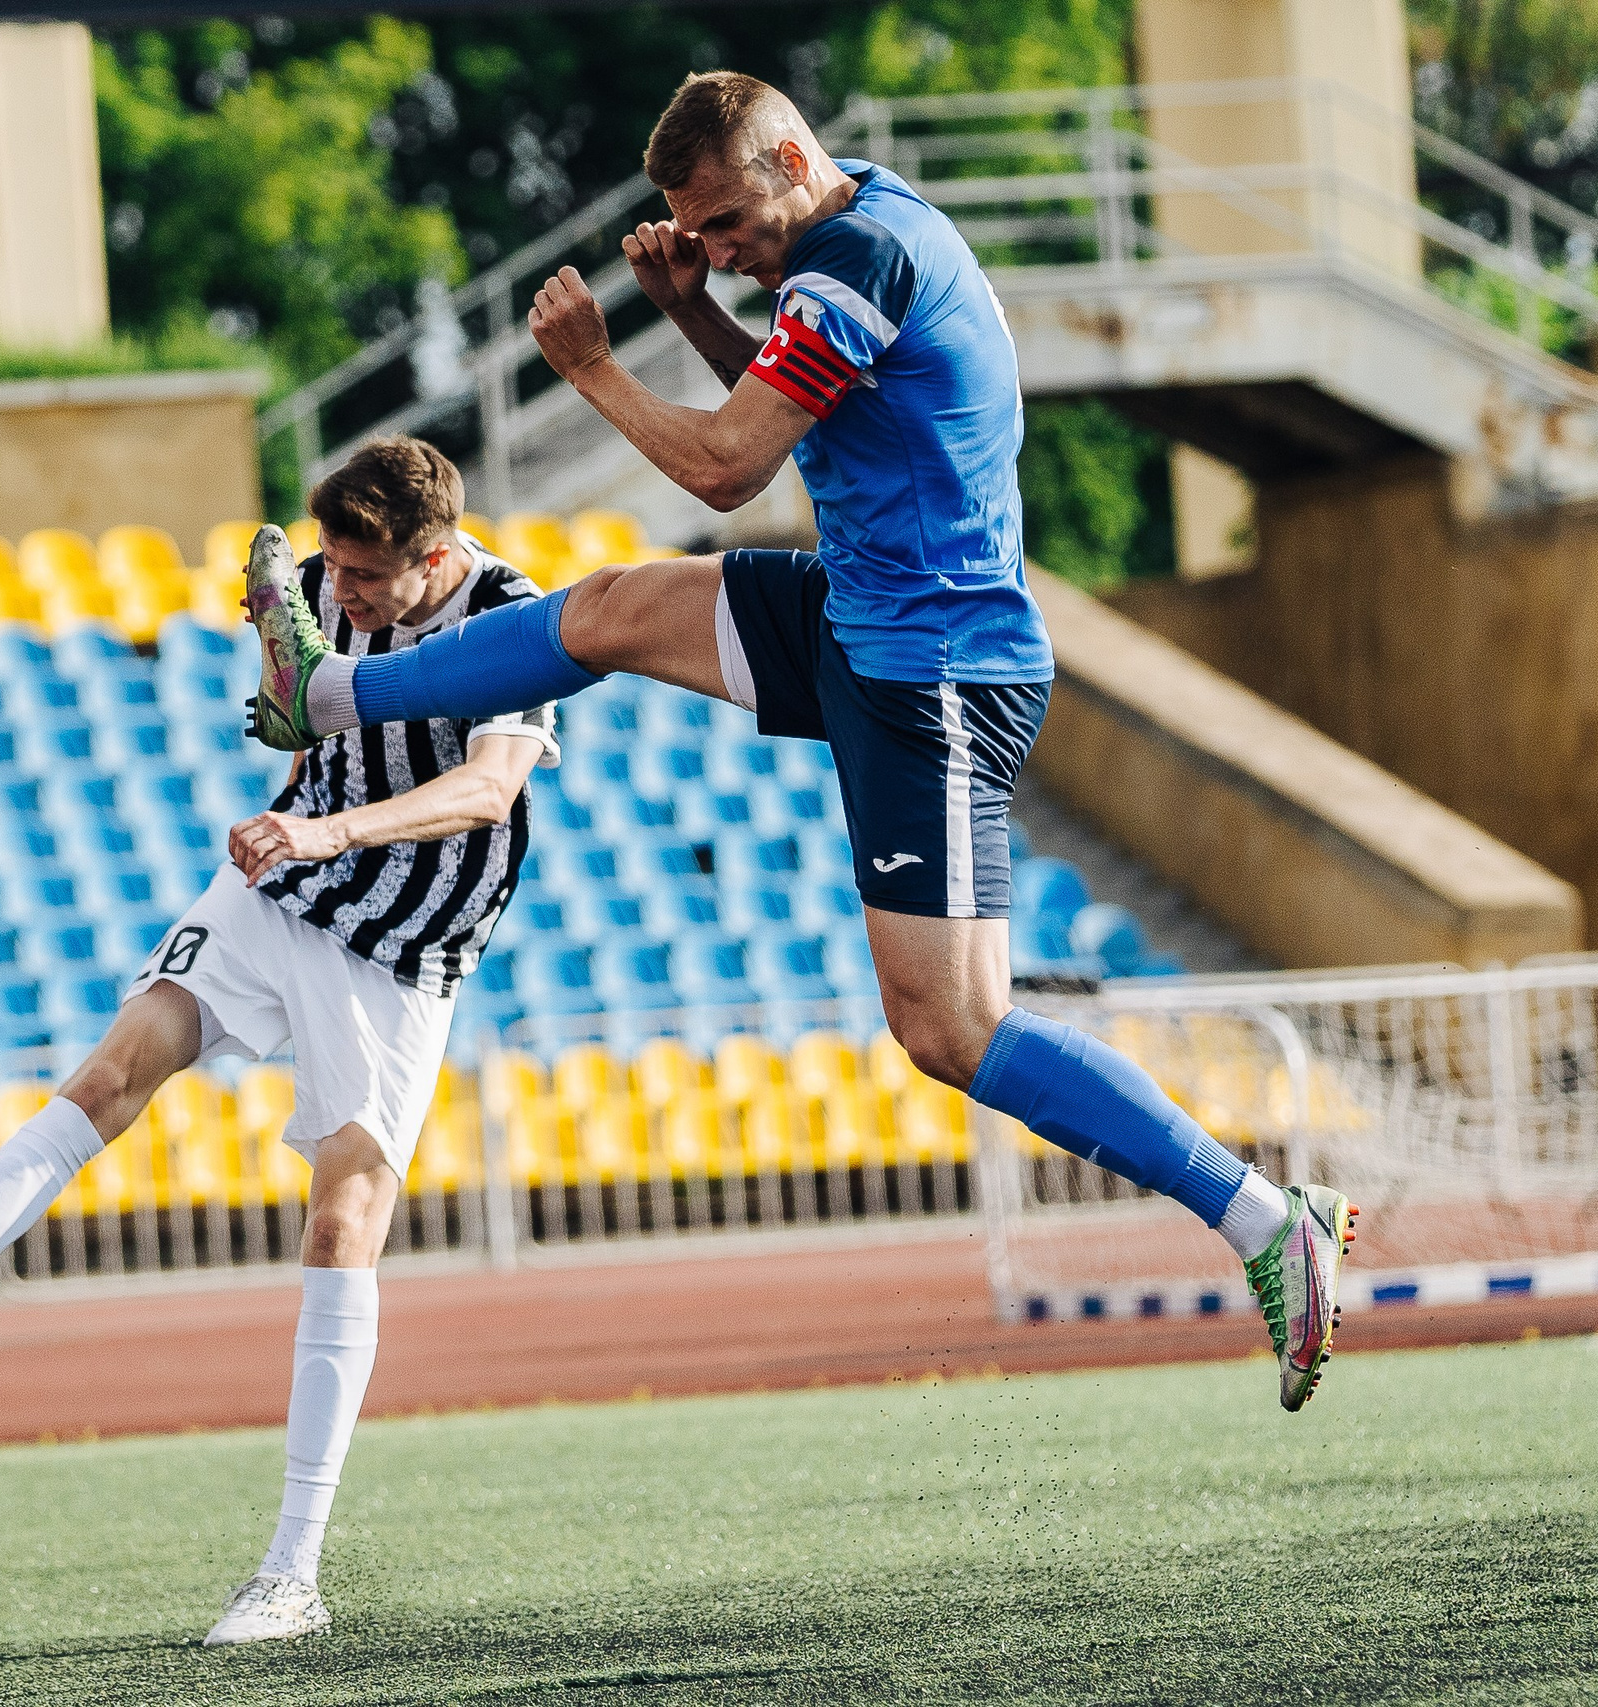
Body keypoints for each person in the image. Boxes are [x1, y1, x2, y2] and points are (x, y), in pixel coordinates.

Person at [241, 73, 1355, 1411]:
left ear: (789, 159)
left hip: (933, 667)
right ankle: (329, 695)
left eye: (723, 222)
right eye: (696, 232)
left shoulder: (856, 260)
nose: (715, 249)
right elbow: (793, 422)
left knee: (950, 1025)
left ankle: (1262, 1217)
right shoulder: (848, 234)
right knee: (609, 609)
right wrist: (691, 310)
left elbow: (728, 468)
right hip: (858, 614)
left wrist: (593, 364)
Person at [0, 437, 559, 1647]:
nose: (340, 592)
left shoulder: (514, 616)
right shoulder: (315, 587)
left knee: (342, 1222)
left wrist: (329, 830)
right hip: (281, 885)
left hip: (402, 942)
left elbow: (488, 791)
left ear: (434, 558)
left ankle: (291, 1575)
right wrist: (294, 778)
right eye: (333, 569)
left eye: (366, 578)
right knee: (113, 1070)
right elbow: (302, 715)